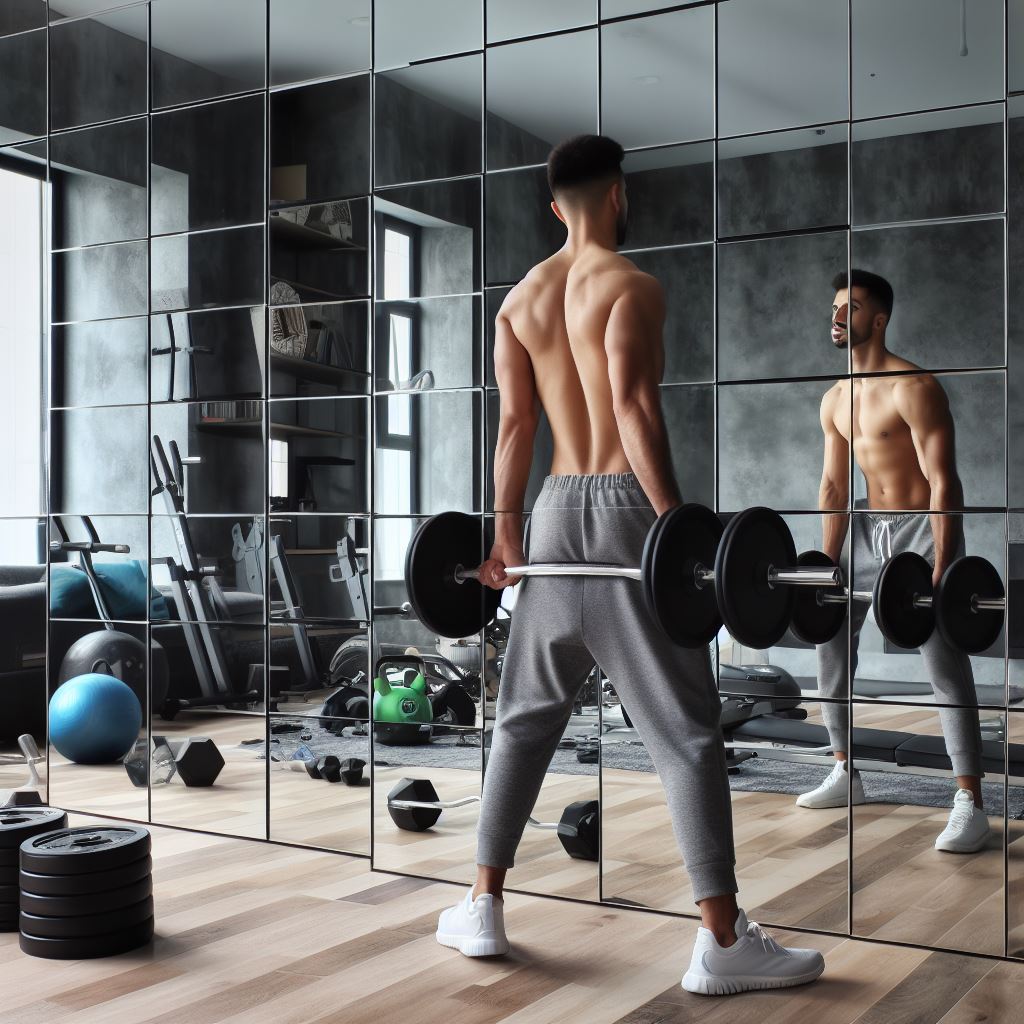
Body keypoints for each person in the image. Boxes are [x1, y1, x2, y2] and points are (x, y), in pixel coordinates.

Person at [434, 134, 825, 996]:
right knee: (684, 730)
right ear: (619, 194)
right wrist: (680, 531)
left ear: (552, 206)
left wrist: (507, 538)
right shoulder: (632, 286)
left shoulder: (518, 303)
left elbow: (516, 432)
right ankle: (721, 941)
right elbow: (634, 407)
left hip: (548, 511)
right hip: (623, 511)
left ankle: (483, 907)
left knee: (523, 720)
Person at [801, 269, 989, 854]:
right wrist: (826, 563)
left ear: (877, 319)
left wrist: (945, 562)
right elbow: (833, 484)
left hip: (917, 529)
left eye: (850, 307)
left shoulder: (914, 386)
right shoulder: (835, 398)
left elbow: (943, 480)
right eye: (834, 306)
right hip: (862, 526)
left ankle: (970, 801)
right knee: (828, 639)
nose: (837, 316)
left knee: (942, 659)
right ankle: (844, 769)